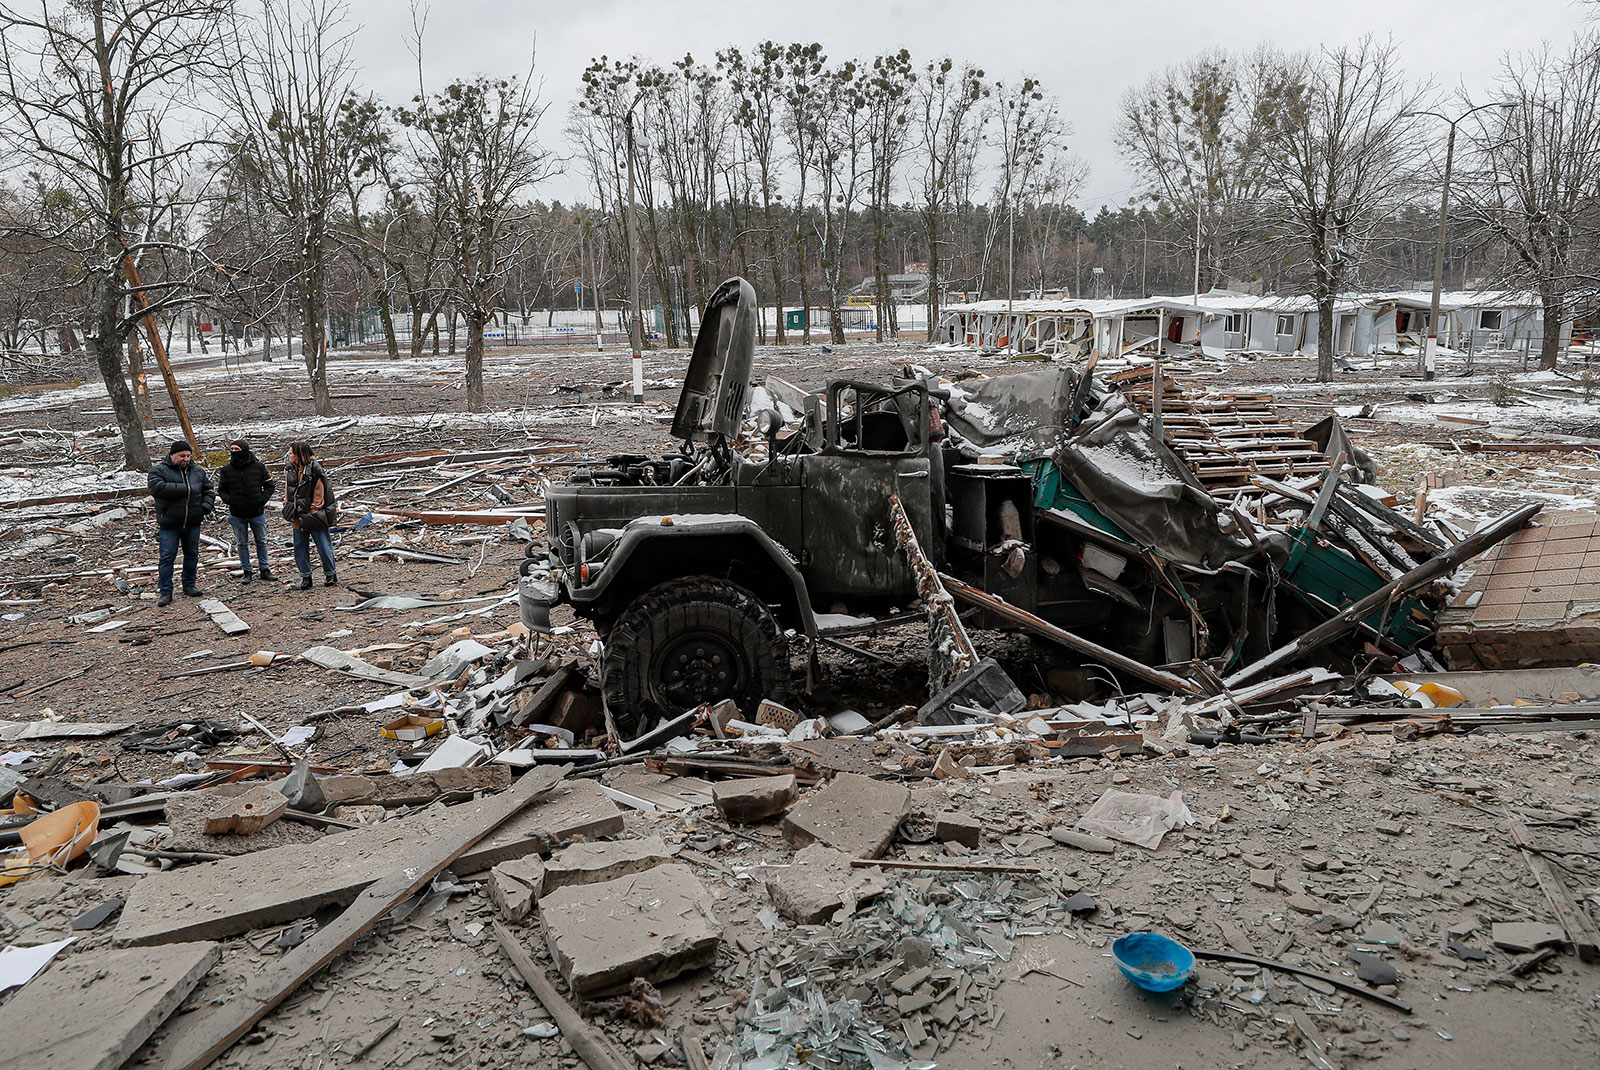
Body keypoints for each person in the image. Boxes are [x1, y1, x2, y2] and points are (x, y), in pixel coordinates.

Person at [147, 440, 215, 607]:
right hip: (169, 523)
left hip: (192, 521)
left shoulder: (198, 471)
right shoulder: (158, 471)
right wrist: (186, 489)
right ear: (172, 455)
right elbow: (157, 488)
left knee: (192, 555)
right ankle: (165, 591)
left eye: (188, 456)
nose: (185, 459)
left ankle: (189, 585)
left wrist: (205, 507)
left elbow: (209, 490)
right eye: (182, 456)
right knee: (167, 557)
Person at [216, 437, 275, 583]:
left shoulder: (258, 467)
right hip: (237, 514)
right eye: (232, 449)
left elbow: (270, 485)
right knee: (241, 543)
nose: (234, 452)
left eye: (237, 449)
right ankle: (246, 571)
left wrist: (262, 500)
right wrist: (229, 500)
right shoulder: (227, 470)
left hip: (257, 512)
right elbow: (221, 490)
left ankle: (264, 569)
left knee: (261, 541)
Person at [284, 440, 338, 589]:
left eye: (291, 453)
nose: (289, 455)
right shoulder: (291, 469)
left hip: (313, 515)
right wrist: (287, 505)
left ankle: (330, 573)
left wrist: (314, 509)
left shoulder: (314, 468)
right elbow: (288, 489)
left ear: (299, 454)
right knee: (299, 547)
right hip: (297, 515)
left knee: (323, 545)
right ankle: (305, 577)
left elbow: (319, 491)